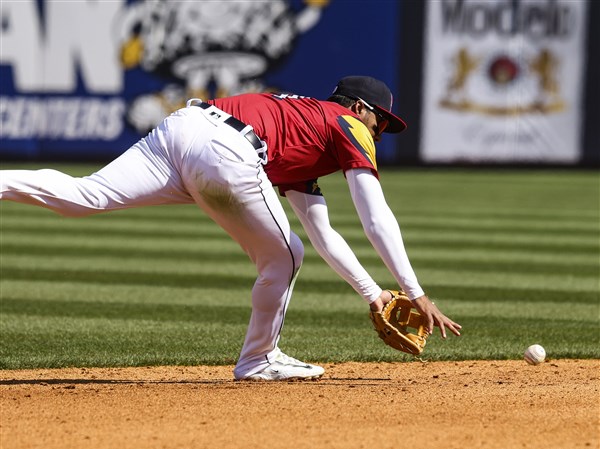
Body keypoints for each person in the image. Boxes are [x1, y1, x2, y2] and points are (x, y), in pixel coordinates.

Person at [0, 76, 461, 381]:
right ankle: (258, 359)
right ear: (360, 108)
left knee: (87, 197)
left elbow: (323, 231)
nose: (379, 133)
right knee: (284, 255)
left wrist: (372, 292)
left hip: (185, 127)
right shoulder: (345, 123)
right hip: (226, 149)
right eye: (380, 122)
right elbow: (374, 213)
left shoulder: (302, 131)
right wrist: (414, 290)